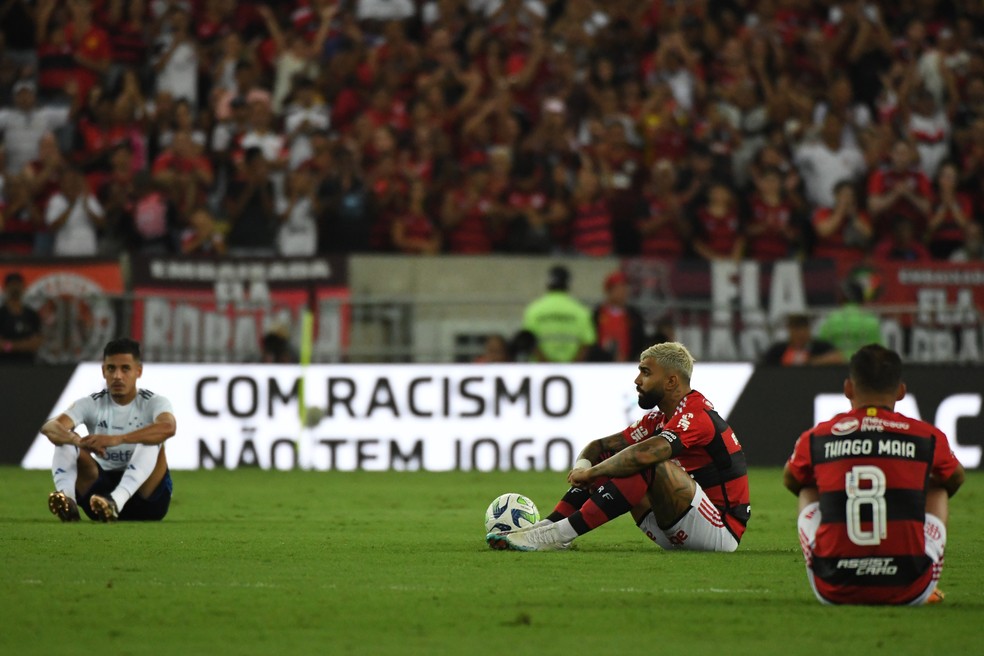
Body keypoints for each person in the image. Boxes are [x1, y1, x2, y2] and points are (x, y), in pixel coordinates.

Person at [487, 341, 751, 552]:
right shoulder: (659, 419)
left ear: (671, 381)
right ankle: (546, 527)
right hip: (675, 525)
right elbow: (598, 446)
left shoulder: (696, 415)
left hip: (719, 530)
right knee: (618, 457)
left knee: (644, 460)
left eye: (646, 372)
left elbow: (647, 454)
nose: (637, 380)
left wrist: (593, 473)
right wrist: (586, 467)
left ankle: (555, 536)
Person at [783, 344, 965, 605]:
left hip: (833, 587)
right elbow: (956, 478)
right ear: (901, 391)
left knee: (807, 487)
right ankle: (922, 576)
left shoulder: (817, 437)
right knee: (938, 487)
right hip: (910, 589)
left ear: (848, 388)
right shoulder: (927, 437)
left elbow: (791, 479)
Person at [40, 338, 176, 523]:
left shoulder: (154, 402)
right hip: (100, 498)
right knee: (63, 439)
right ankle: (68, 503)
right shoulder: (91, 403)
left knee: (153, 438)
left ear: (139, 371)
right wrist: (78, 441)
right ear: (103, 371)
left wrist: (117, 439)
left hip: (148, 499)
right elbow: (49, 427)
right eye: (111, 368)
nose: (117, 376)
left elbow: (169, 427)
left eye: (125, 368)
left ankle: (117, 501)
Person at [521, 265, 596, 363]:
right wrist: (574, 365)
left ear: (547, 283)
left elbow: (528, 341)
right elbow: (587, 343)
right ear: (568, 284)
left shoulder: (533, 309)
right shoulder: (581, 310)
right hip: (572, 370)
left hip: (540, 369)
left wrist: (545, 363)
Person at [817, 269, 885, 360]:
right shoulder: (872, 321)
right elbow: (881, 353)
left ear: (843, 296)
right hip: (864, 370)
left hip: (834, 370)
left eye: (840, 293)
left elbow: (820, 351)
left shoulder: (829, 319)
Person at [591, 270, 647, 362]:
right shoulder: (597, 314)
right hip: (600, 364)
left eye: (625, 288)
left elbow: (640, 340)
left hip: (627, 363)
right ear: (609, 290)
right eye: (619, 288)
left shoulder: (634, 315)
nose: (623, 292)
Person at [760, 313, 843, 366]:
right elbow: (765, 366)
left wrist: (810, 362)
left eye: (804, 328)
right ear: (790, 331)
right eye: (797, 329)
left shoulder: (820, 347)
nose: (800, 334)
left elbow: (838, 358)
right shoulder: (778, 350)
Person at [0, 271, 42, 363]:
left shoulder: (32, 315)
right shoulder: (2, 314)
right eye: (12, 285)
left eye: (17, 284)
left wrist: (9, 345)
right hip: (4, 367)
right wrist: (24, 345)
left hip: (29, 367)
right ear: (6, 288)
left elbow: (36, 344)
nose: (15, 288)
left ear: (23, 287)